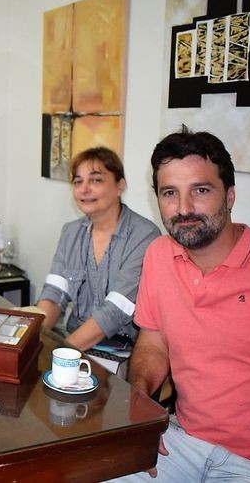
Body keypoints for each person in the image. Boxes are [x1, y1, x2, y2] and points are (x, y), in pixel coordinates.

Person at [116, 127, 250, 482]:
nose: (184, 208)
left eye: (201, 190)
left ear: (230, 196)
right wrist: (139, 408)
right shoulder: (159, 255)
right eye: (170, 193)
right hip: (183, 441)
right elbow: (154, 342)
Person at [36, 147, 161, 351]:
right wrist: (32, 339)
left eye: (95, 180)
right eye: (78, 182)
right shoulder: (71, 232)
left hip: (121, 350)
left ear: (120, 185)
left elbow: (115, 311)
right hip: (74, 339)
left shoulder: (144, 236)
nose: (84, 189)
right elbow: (54, 293)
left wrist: (62, 354)